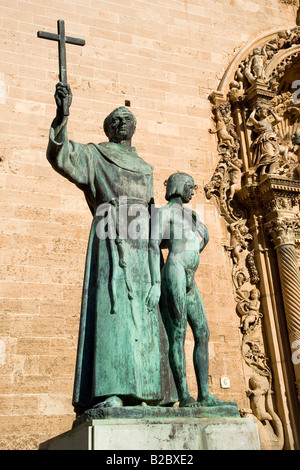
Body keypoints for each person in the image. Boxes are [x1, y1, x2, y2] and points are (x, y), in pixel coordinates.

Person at [47, 82, 163, 415]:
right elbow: (61, 154)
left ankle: (146, 389)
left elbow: (154, 210)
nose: (121, 123)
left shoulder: (147, 168)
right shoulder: (95, 154)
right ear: (108, 128)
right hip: (110, 231)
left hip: (143, 242)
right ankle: (110, 390)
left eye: (126, 119)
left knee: (143, 314)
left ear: (134, 127)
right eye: (114, 120)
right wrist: (62, 114)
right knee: (114, 312)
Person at [147, 173, 235, 407]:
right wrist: (156, 284)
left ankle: (205, 394)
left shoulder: (190, 215)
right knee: (178, 333)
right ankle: (184, 394)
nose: (193, 191)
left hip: (189, 275)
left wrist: (202, 236)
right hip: (174, 270)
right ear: (177, 187)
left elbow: (196, 242)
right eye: (190, 187)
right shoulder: (164, 213)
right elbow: (154, 244)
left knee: (203, 332)